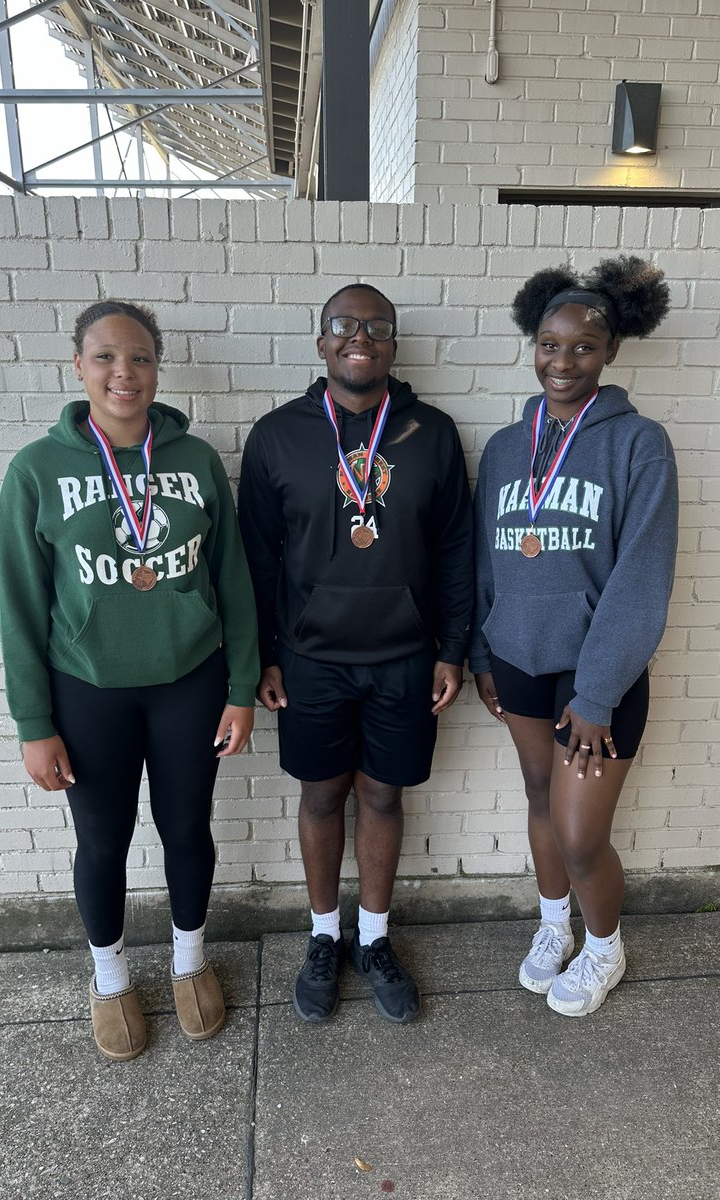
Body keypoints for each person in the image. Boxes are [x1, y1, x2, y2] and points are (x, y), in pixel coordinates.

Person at [0, 301, 259, 1060]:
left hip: (190, 681)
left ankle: (188, 961)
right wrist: (32, 722)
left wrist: (241, 687)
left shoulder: (197, 460)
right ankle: (109, 979)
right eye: (106, 357)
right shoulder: (36, 469)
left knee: (186, 831)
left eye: (140, 358)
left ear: (156, 369)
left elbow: (233, 581)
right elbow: (20, 602)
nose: (124, 373)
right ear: (78, 368)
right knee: (102, 841)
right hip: (88, 689)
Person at [238, 284, 473, 1024]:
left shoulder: (432, 433)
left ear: (393, 346)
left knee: (382, 796)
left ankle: (373, 939)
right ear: (321, 343)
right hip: (310, 661)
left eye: (376, 327)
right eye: (344, 325)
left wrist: (455, 648)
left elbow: (456, 550)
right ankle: (322, 937)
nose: (359, 337)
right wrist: (263, 658)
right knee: (320, 796)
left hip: (405, 657)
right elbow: (256, 559)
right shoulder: (277, 436)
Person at [470, 256, 676, 1017]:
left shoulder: (638, 443)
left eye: (583, 346)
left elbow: (642, 577)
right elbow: (485, 556)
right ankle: (554, 923)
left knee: (581, 832)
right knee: (536, 795)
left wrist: (597, 693)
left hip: (598, 677)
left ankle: (604, 947)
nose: (563, 361)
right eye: (549, 344)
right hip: (517, 656)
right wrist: (483, 652)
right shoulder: (502, 447)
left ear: (611, 351)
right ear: (534, 345)